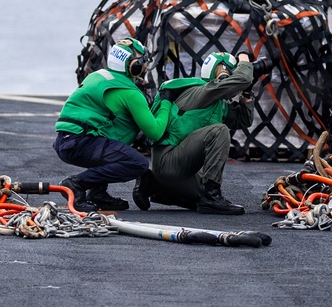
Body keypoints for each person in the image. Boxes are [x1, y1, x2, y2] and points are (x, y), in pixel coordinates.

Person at [52, 38, 174, 213]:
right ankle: (77, 184)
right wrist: (166, 101)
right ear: (133, 66)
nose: (145, 64)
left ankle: (97, 193)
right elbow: (155, 132)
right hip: (81, 143)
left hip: (66, 141)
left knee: (115, 137)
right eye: (142, 60)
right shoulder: (130, 93)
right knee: (138, 163)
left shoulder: (98, 75)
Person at [134, 51, 265, 215]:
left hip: (173, 167)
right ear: (222, 70)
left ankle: (153, 184)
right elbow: (242, 79)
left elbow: (242, 120)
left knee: (198, 198)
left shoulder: (215, 101)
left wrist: (247, 92)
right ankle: (212, 195)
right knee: (219, 131)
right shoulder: (200, 91)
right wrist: (244, 57)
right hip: (169, 160)